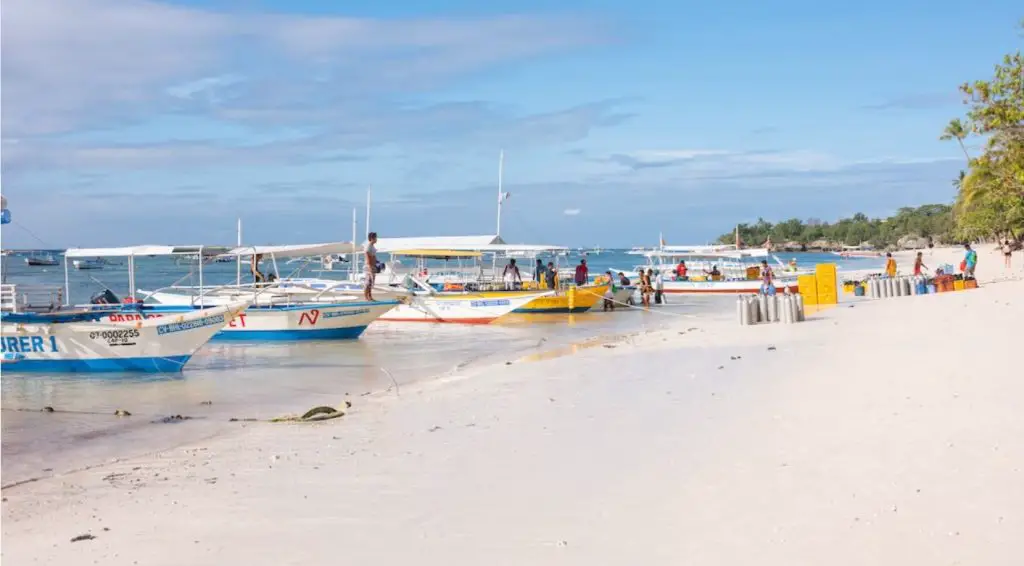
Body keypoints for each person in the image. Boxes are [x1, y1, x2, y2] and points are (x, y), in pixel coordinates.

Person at [363, 232, 378, 301]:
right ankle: (366, 297)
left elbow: (373, 256)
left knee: (371, 282)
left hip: (373, 265)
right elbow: (367, 255)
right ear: (372, 238)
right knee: (368, 282)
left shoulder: (372, 246)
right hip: (369, 266)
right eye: (375, 238)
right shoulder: (368, 246)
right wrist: (370, 265)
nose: (376, 239)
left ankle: (370, 296)